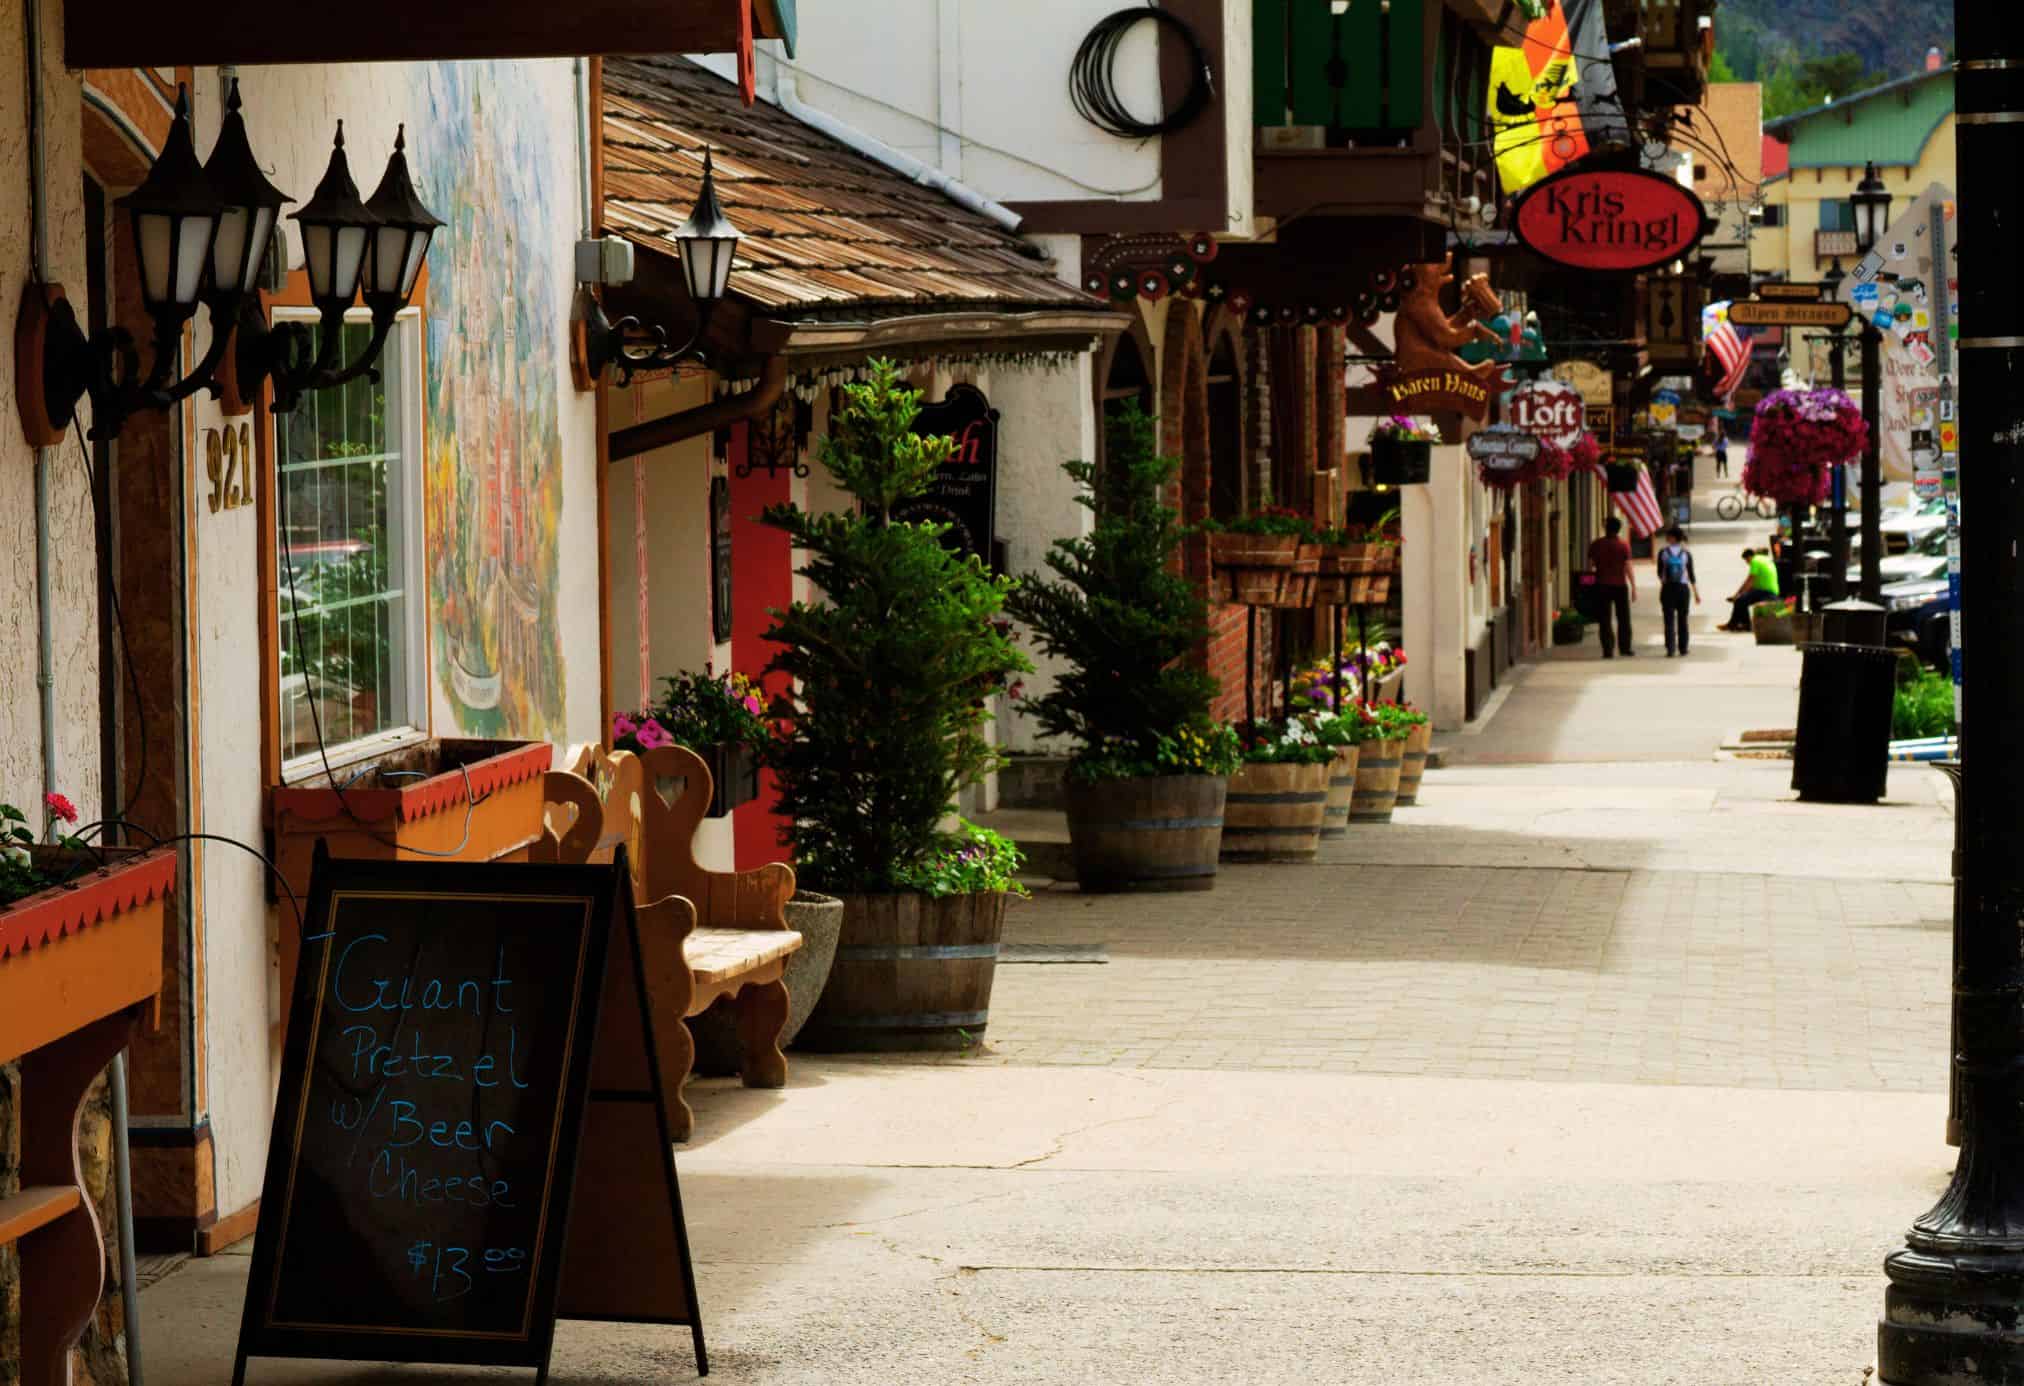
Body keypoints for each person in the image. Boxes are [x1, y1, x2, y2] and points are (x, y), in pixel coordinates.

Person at [1587, 517, 1637, 658]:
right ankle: (1625, 648)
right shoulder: (1624, 545)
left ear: (1605, 528)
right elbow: (1628, 567)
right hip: (1620, 585)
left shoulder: (1596, 544)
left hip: (1602, 585)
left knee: (1604, 619)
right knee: (1624, 618)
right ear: (1619, 529)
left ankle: (1608, 650)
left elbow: (1591, 565)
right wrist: (1633, 587)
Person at [1655, 525, 1701, 656]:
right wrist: (1696, 593)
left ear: (1673, 538)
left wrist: (1664, 581)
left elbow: (1659, 572)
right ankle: (1683, 648)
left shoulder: (1663, 553)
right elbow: (1691, 574)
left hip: (1668, 588)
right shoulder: (1686, 554)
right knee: (1683, 619)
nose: (1666, 537)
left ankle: (1670, 648)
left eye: (1668, 535)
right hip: (1683, 589)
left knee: (1668, 619)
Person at [1722, 547, 1781, 631]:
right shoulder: (1766, 560)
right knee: (1742, 599)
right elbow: (1754, 583)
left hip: (1765, 592)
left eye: (1746, 561)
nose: (1747, 563)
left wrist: (1737, 595)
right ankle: (1735, 624)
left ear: (1749, 557)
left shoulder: (1755, 560)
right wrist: (1740, 594)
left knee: (1740, 600)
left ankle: (1740, 624)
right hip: (1772, 591)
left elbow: (1750, 580)